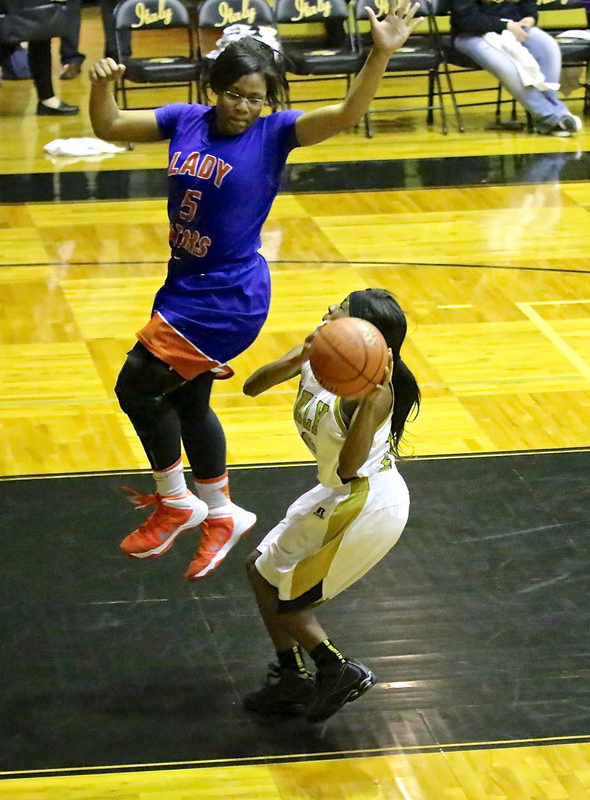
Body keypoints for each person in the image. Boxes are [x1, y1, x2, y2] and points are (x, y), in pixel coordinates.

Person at [88, 1, 422, 582]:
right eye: (235, 94)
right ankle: (221, 512)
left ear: (269, 102)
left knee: (137, 388)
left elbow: (347, 112)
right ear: (215, 89)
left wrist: (381, 53)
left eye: (257, 98)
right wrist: (102, 87)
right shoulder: (183, 119)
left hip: (227, 297)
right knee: (189, 401)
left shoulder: (275, 135)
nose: (245, 107)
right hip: (184, 283)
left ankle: (176, 500)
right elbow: (110, 127)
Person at [242, 289, 420, 723]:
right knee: (260, 571)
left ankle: (338, 669)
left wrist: (371, 404)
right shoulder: (320, 352)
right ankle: (292, 677)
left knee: (288, 597)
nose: (327, 311)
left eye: (338, 310)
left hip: (368, 499)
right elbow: (251, 387)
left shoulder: (372, 392)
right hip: (338, 493)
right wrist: (293, 360)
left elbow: (347, 466)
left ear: (359, 333)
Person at [450, 0, 582, 137]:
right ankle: (553, 117)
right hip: (472, 34)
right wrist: (505, 25)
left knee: (548, 48)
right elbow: (467, 20)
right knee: (507, 67)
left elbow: (528, 4)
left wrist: (530, 17)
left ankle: (551, 116)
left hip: (515, 28)